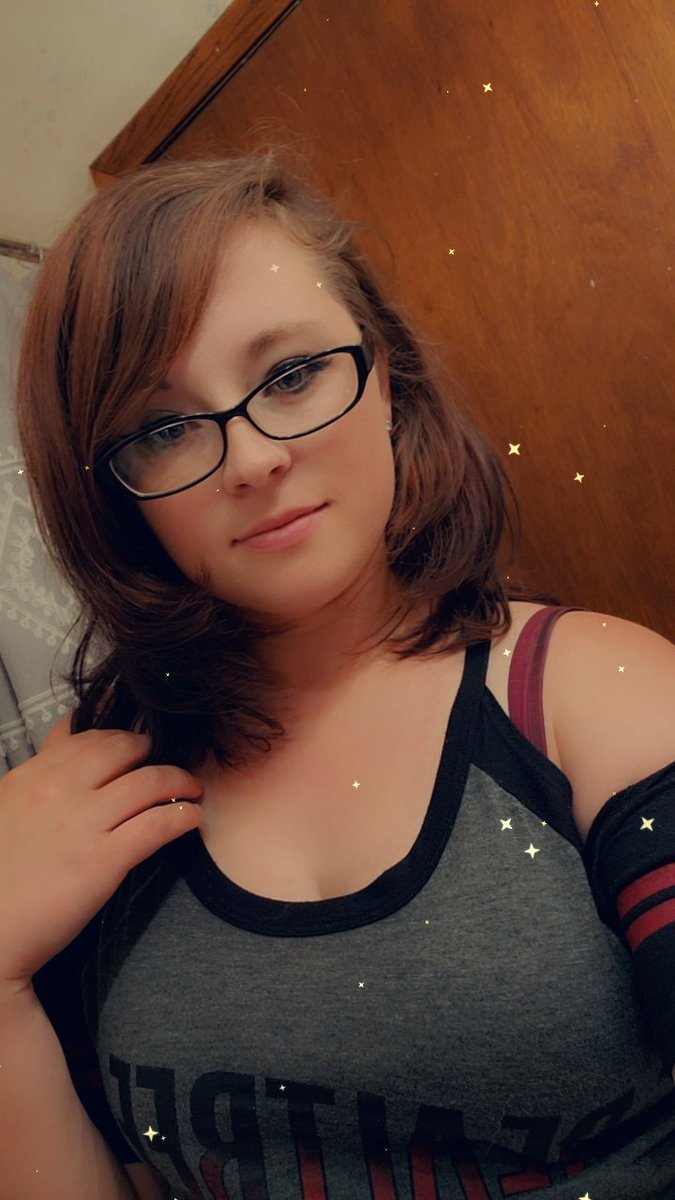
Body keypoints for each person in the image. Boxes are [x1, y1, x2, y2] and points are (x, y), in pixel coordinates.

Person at [1, 152, 674, 1200]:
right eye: (167, 428)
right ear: (115, 493)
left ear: (385, 375)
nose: (252, 459)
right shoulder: (97, 783)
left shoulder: (594, 696)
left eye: (290, 376)